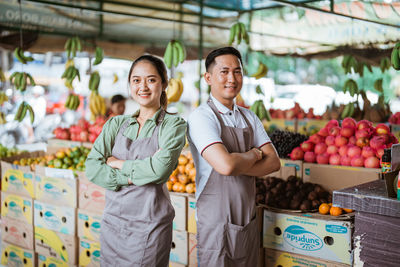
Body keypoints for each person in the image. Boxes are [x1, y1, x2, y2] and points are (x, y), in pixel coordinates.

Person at [85, 55, 187, 267]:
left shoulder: (173, 125)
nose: (143, 86)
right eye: (136, 80)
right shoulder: (116, 124)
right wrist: (137, 175)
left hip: (150, 229)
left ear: (164, 83)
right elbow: (92, 167)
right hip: (113, 225)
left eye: (151, 80)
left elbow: (159, 170)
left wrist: (119, 163)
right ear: (130, 84)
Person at [187, 47, 281, 267]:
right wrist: (255, 153)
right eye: (224, 71)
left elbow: (274, 162)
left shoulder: (249, 116)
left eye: (237, 71)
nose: (232, 78)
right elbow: (226, 166)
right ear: (208, 78)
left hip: (247, 220)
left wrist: (233, 162)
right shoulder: (202, 117)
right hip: (215, 224)